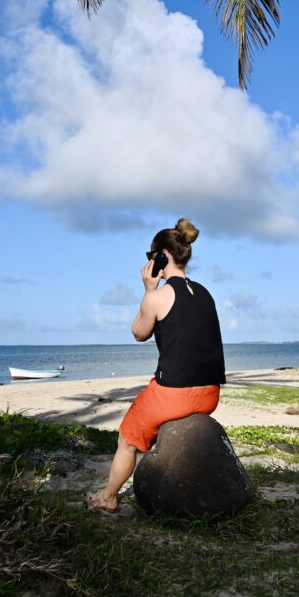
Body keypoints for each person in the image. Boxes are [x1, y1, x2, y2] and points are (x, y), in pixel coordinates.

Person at [85, 218, 226, 513]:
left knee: (126, 437)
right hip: (210, 393)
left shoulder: (158, 297)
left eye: (152, 256)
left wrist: (148, 290)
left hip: (174, 395)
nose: (150, 262)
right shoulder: (205, 293)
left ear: (163, 255)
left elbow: (138, 332)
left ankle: (109, 498)